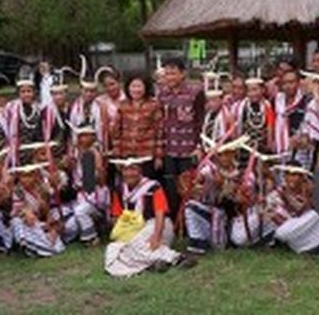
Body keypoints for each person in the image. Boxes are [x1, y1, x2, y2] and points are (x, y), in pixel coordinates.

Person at [105, 156, 195, 277]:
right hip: (133, 229)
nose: (129, 173)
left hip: (157, 225)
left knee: (137, 247)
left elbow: (160, 213)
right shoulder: (119, 189)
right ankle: (156, 263)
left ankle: (177, 258)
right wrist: (120, 233)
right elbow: (117, 216)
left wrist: (156, 236)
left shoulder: (153, 187)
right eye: (126, 170)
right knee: (115, 249)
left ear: (140, 171)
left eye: (133, 169)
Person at [184, 139, 266, 254]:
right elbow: (196, 182)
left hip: (239, 218)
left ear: (234, 153)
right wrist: (194, 185)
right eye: (220, 154)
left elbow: (242, 200)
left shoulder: (245, 173)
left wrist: (224, 185)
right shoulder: (210, 170)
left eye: (227, 153)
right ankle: (198, 243)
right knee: (191, 207)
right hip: (213, 213)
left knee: (236, 240)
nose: (224, 158)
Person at [157, 57, 204, 218]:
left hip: (189, 149)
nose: (169, 77)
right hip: (169, 149)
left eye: (173, 73)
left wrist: (198, 145)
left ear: (183, 74)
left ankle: (190, 221)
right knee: (170, 186)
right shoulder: (162, 94)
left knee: (188, 187)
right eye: (167, 73)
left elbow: (200, 121)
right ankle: (175, 222)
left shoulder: (196, 92)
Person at [266, 162, 319, 255]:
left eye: (295, 175)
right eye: (288, 174)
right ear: (284, 177)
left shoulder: (309, 192)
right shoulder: (278, 193)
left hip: (308, 226)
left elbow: (309, 214)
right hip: (289, 228)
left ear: (302, 177)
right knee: (282, 232)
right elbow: (284, 217)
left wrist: (308, 195)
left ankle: (317, 247)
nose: (291, 178)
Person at [9, 162, 66, 257]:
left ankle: (43, 248)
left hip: (39, 223)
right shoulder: (17, 191)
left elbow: (47, 212)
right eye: (24, 176)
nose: (26, 180)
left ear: (35, 176)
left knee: (52, 228)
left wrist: (50, 224)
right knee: (16, 222)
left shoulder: (42, 189)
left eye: (30, 176)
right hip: (25, 222)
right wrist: (26, 212)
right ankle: (31, 246)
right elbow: (19, 210)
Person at [112, 75, 162, 178]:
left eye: (139, 86)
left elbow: (159, 132)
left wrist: (158, 156)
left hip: (147, 154)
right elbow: (116, 132)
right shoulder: (122, 105)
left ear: (145, 88)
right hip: (126, 153)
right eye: (133, 86)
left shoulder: (154, 105)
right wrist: (117, 155)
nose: (136, 90)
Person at [4, 71, 43, 167]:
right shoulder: (10, 108)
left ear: (34, 93)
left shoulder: (38, 109)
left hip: (34, 152)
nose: (26, 94)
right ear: (18, 93)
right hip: (16, 151)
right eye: (23, 92)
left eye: (29, 91)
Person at [69, 55, 108, 145]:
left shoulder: (101, 106)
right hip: (79, 143)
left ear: (96, 92)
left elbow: (102, 128)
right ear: (81, 90)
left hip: (96, 143)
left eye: (92, 91)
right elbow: (72, 125)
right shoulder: (75, 106)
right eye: (86, 91)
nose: (89, 94)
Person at [234, 73, 275, 155]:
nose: (252, 94)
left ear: (263, 90)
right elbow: (235, 127)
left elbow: (270, 127)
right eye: (249, 90)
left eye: (255, 89)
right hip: (244, 147)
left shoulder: (267, 106)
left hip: (261, 148)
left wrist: (269, 145)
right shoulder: (241, 107)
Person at [274, 70, 310, 158]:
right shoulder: (276, 101)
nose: (287, 86)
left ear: (298, 83)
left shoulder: (306, 102)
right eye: (284, 83)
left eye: (291, 82)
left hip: (301, 149)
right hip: (279, 147)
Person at [96, 68, 126, 152]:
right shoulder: (100, 101)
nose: (110, 88)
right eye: (106, 86)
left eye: (112, 84)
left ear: (119, 83)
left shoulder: (127, 99)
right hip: (108, 142)